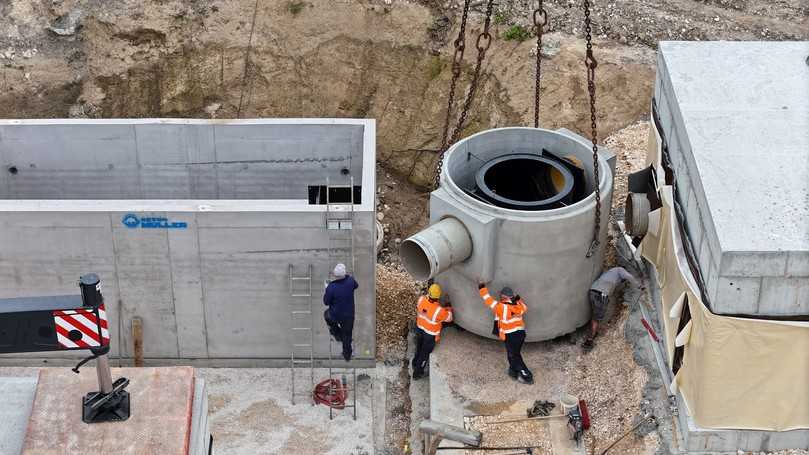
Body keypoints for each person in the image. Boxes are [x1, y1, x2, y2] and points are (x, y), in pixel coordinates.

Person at [478, 282, 533, 384]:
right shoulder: (519, 305)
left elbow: (488, 300)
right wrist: (517, 298)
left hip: (511, 336)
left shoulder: (502, 307)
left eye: (501, 296)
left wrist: (481, 287)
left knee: (515, 356)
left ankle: (527, 376)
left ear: (503, 296)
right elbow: (525, 307)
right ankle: (513, 371)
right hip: (520, 334)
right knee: (512, 354)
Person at [583, 266, 643, 352]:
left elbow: (614, 285)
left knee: (595, 314)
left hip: (593, 291)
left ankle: (593, 333)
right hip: (601, 294)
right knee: (597, 317)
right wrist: (639, 286)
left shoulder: (609, 272)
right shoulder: (620, 269)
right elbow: (629, 276)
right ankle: (589, 340)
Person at [411, 283, 453, 380]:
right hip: (430, 335)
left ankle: (414, 363)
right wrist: (448, 305)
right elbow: (449, 318)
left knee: (419, 347)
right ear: (438, 297)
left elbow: (424, 307)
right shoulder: (439, 311)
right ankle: (417, 374)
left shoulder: (421, 300)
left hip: (420, 328)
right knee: (424, 354)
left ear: (429, 293)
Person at [323, 263, 358, 361]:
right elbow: (356, 285)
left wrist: (327, 289)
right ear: (345, 273)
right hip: (349, 315)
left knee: (326, 315)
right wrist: (347, 278)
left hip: (335, 315)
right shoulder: (351, 281)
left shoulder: (331, 287)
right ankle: (347, 356)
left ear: (335, 275)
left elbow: (326, 302)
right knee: (347, 335)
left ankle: (338, 335)